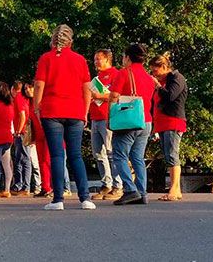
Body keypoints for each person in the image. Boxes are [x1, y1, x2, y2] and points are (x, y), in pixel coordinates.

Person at [33, 24, 96, 211]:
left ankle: (58, 199)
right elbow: (87, 89)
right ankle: (85, 198)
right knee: (76, 155)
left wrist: (37, 107)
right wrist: (85, 112)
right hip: (75, 110)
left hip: (52, 111)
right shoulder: (79, 60)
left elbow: (38, 85)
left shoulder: (46, 58)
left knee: (57, 155)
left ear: (53, 39)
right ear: (71, 41)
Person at [109, 43, 156, 205]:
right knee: (137, 157)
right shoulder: (149, 78)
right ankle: (142, 192)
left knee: (119, 154)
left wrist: (111, 118)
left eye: (123, 56)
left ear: (128, 57)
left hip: (128, 121)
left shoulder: (124, 73)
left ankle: (130, 189)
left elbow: (114, 96)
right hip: (146, 121)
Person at [149, 53, 188, 202]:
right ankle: (176, 189)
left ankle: (174, 188)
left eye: (155, 70)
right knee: (168, 155)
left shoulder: (176, 78)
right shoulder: (164, 81)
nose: (154, 74)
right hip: (162, 122)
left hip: (173, 121)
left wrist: (158, 86)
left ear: (164, 67)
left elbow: (170, 96)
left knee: (172, 154)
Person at [89, 49, 123, 200]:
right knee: (98, 153)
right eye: (95, 59)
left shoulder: (115, 74)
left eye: (98, 59)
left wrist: (99, 96)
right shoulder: (96, 78)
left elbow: (116, 94)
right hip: (95, 118)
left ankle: (118, 185)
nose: (96, 62)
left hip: (108, 117)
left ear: (107, 59)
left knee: (111, 152)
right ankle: (106, 183)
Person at [24, 83, 53, 198]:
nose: (27, 90)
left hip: (48, 133)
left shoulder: (43, 100)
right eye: (25, 88)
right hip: (39, 135)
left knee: (48, 160)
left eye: (30, 87)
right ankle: (45, 187)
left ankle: (53, 187)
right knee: (41, 161)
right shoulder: (30, 103)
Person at [11, 81, 32, 196]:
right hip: (25, 130)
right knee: (19, 158)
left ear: (13, 89)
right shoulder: (25, 98)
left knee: (25, 158)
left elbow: (22, 115)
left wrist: (18, 131)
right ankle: (19, 184)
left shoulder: (18, 98)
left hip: (22, 132)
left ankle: (25, 186)